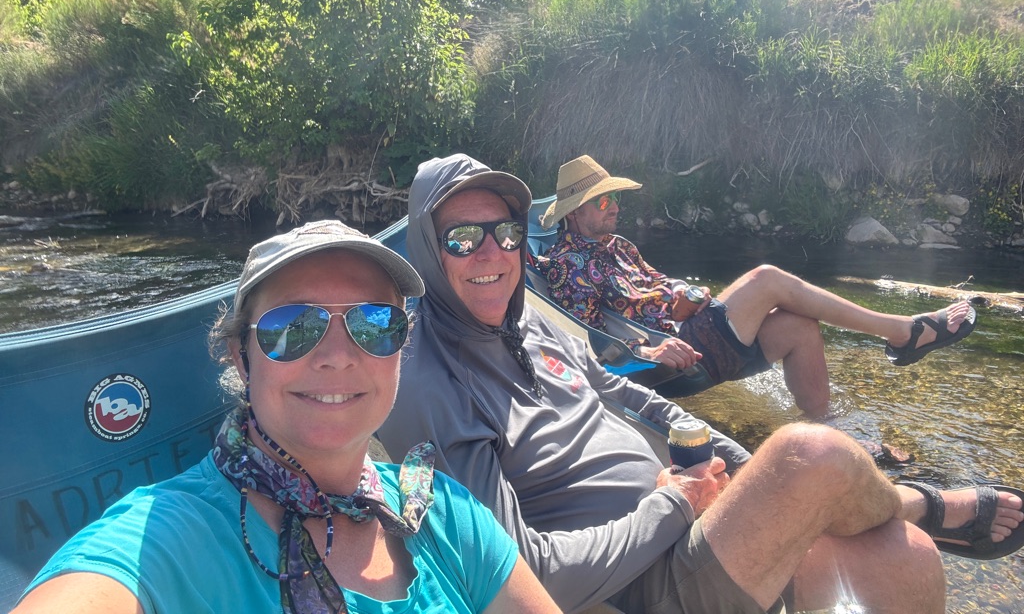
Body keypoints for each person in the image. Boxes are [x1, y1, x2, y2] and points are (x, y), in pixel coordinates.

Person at [376, 152, 1024, 614]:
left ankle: (885, 498)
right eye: (463, 239)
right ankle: (921, 500)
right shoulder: (427, 380)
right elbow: (520, 573)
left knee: (903, 557)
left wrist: (737, 463)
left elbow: (617, 392)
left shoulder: (527, 321)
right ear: (429, 250)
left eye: (506, 232)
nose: (492, 252)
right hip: (642, 582)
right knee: (810, 454)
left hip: (691, 515)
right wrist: (677, 504)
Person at [14, 220, 560, 614]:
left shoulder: (444, 513)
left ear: (401, 347)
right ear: (242, 357)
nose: (338, 355)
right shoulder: (170, 540)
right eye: (294, 325)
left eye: (375, 323)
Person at [537, 155, 978, 416]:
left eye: (615, 197)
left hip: (693, 329)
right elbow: (585, 344)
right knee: (766, 279)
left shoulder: (618, 246)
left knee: (799, 326)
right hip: (669, 359)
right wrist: (649, 353)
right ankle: (903, 332)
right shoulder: (565, 265)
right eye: (603, 200)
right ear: (574, 213)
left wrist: (687, 293)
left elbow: (660, 284)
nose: (615, 207)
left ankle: (826, 430)